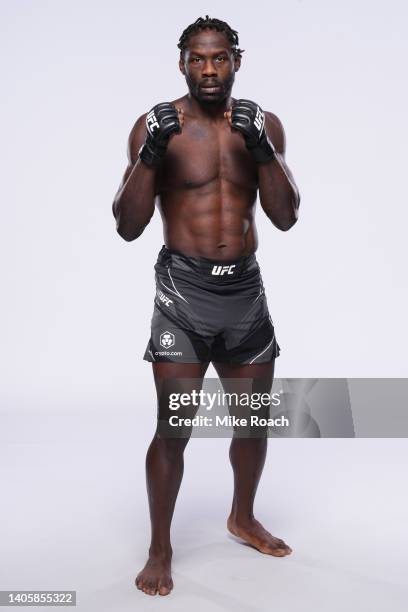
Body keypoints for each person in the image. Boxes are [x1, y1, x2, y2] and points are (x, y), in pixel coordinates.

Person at [112, 15, 300, 597]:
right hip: (184, 295)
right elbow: (127, 225)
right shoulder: (155, 126)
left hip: (243, 292)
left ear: (237, 61)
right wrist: (151, 155)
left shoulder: (262, 125)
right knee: (174, 428)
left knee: (252, 422)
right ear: (182, 64)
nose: (209, 69)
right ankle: (160, 549)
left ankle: (241, 517)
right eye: (198, 58)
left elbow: (286, 216)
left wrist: (264, 151)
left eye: (219, 58)